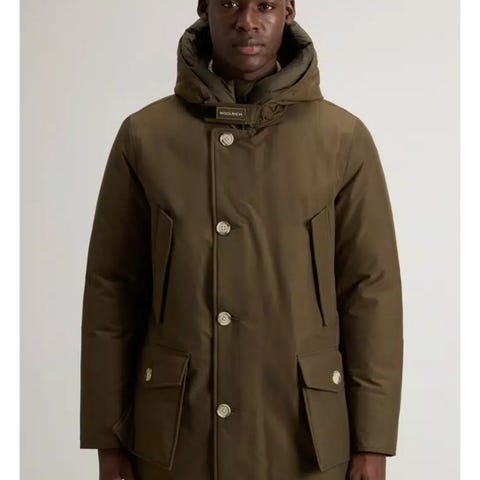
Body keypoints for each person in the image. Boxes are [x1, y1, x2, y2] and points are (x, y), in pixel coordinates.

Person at [80, 1, 404, 480]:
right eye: (229, 3)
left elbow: (371, 293)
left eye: (265, 5)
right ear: (204, 9)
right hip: (176, 440)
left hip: (304, 439)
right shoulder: (145, 137)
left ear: (288, 11)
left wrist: (373, 443)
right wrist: (108, 438)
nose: (247, 21)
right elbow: (112, 291)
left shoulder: (342, 139)